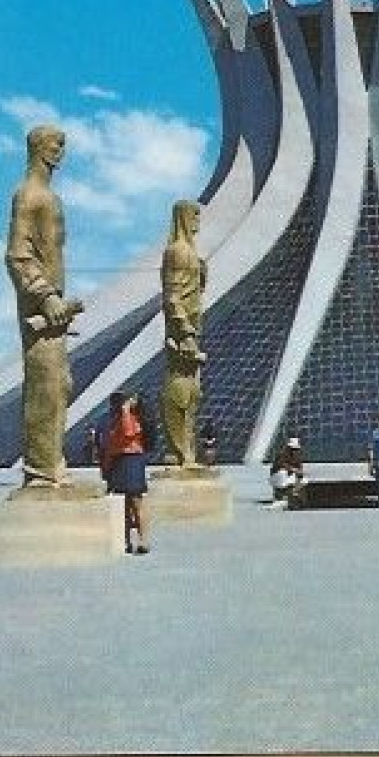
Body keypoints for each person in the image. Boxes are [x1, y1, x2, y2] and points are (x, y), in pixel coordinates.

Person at [6, 125, 84, 488]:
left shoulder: (50, 198)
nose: (61, 153)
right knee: (45, 387)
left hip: (55, 316)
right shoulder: (29, 196)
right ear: (39, 148)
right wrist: (45, 296)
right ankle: (40, 472)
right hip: (39, 310)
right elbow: (17, 255)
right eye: (57, 145)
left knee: (60, 384)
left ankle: (53, 464)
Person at [160, 199, 207, 466]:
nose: (198, 220)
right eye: (194, 215)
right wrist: (183, 329)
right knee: (179, 389)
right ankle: (177, 451)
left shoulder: (191, 252)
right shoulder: (178, 251)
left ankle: (186, 448)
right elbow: (172, 296)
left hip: (192, 327)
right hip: (182, 333)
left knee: (193, 393)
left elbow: (191, 293)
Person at [101, 391, 152, 554]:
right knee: (123, 504)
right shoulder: (113, 419)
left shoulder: (136, 418)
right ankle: (126, 540)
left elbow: (129, 432)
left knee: (136, 501)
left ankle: (143, 540)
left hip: (132, 460)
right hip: (120, 461)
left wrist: (126, 411)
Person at [269, 433, 307, 509]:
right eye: (292, 449)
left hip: (289, 477)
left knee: (304, 480)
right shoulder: (282, 455)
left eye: (296, 449)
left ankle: (293, 494)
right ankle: (282, 495)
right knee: (283, 474)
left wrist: (299, 474)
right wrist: (293, 469)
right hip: (278, 477)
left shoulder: (297, 458)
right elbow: (280, 465)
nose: (294, 451)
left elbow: (299, 469)